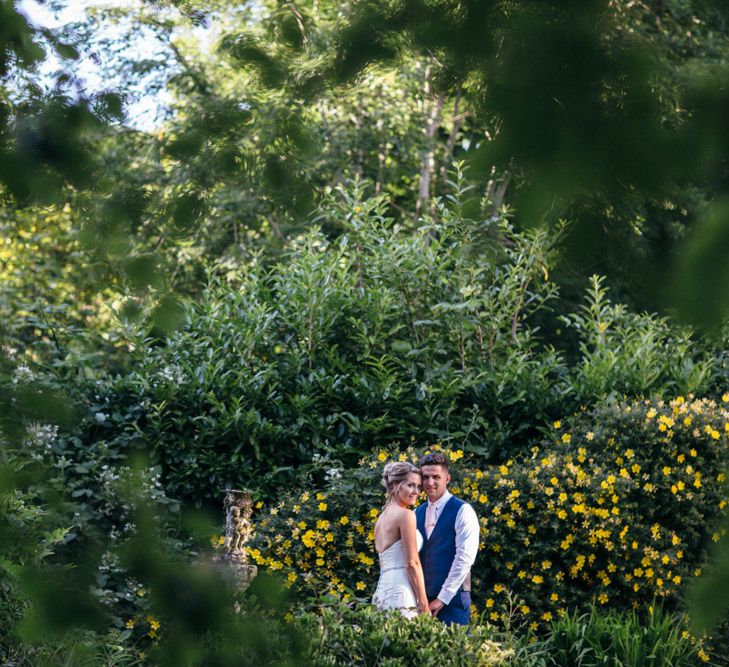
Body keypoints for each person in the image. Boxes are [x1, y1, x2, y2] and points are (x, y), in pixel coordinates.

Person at [415, 452, 479, 625]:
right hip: (421, 604)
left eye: (436, 477)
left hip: (453, 601)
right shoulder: (415, 513)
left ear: (447, 478)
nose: (430, 482)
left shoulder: (463, 511)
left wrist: (442, 598)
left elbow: (465, 558)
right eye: (425, 477)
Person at [372, 461, 430, 618]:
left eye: (418, 487)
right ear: (395, 485)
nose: (416, 491)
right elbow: (412, 563)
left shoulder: (380, 519)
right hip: (401, 590)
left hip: (382, 590)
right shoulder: (406, 515)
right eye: (411, 485)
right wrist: (424, 603)